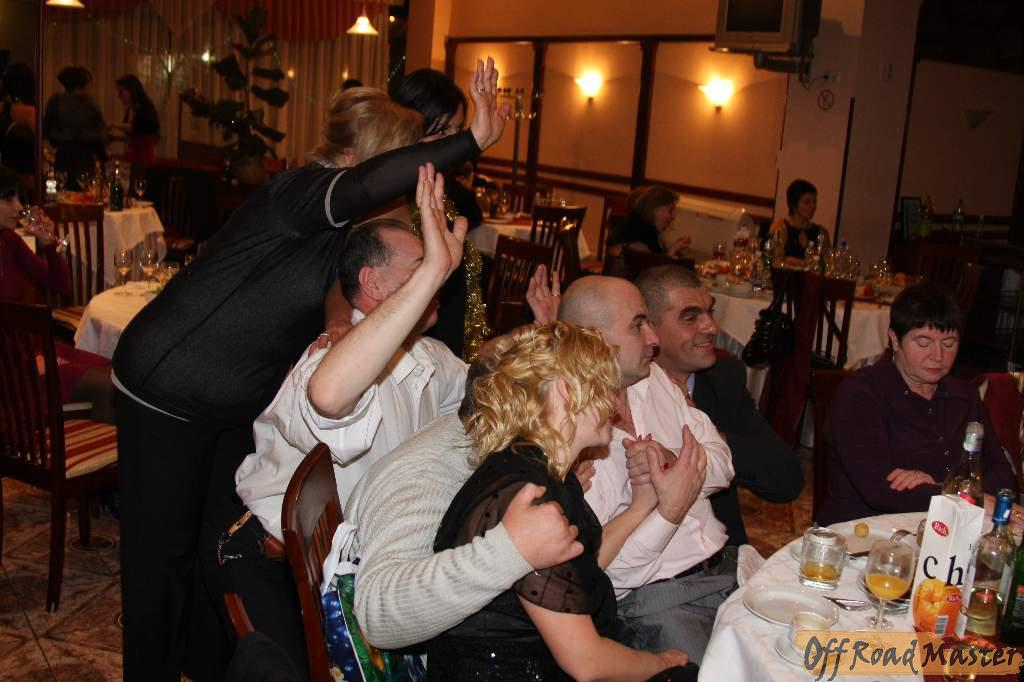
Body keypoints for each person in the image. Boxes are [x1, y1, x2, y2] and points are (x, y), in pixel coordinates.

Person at [111, 58, 509, 681]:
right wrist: (470, 142)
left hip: (228, 400)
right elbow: (363, 191)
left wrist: (342, 320)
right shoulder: (299, 193)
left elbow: (330, 283)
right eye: (398, 164)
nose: (402, 188)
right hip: (166, 385)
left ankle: (208, 666)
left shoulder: (341, 229)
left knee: (213, 544)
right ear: (361, 160)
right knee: (160, 557)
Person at [218, 166, 469, 674]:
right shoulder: (331, 363)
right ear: (372, 283)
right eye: (421, 267)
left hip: (359, 558)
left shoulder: (426, 355)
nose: (436, 277)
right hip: (277, 568)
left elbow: (477, 395)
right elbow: (331, 399)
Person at [428, 321, 691, 681]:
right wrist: (662, 663)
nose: (616, 404)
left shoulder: (540, 467)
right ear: (567, 391)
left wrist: (642, 506)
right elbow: (586, 663)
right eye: (606, 387)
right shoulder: (530, 495)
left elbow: (577, 566)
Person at [634, 264, 804, 545]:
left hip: (720, 553)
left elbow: (787, 480)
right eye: (690, 318)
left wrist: (707, 436)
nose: (712, 327)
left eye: (710, 312)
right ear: (649, 329)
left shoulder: (721, 378)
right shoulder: (626, 390)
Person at [820, 282, 1017, 525]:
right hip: (863, 528)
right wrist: (958, 495)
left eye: (949, 343)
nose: (938, 356)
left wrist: (944, 488)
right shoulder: (861, 393)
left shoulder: (964, 396)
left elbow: (1002, 475)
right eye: (923, 343)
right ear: (895, 339)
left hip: (946, 528)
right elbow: (879, 489)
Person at [0, 165, 115, 422]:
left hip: (28, 348)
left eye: (18, 197)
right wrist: (28, 361)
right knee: (107, 387)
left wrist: (49, 246)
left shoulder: (8, 241)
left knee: (115, 372)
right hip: (10, 369)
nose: (19, 207)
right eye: (8, 199)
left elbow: (61, 286)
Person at [42, 66, 107, 188]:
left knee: (62, 189)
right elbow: (99, 135)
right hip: (84, 157)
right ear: (84, 84)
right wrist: (103, 158)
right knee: (83, 190)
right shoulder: (89, 104)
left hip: (63, 155)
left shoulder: (56, 102)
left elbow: (47, 130)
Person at [606, 185, 690, 260]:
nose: (673, 217)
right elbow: (654, 271)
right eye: (670, 210)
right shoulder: (638, 237)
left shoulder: (644, 229)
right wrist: (672, 251)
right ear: (656, 210)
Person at [768, 179, 831, 263]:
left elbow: (826, 262)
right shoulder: (781, 227)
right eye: (807, 202)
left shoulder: (821, 232)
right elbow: (775, 259)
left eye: (814, 202)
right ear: (794, 204)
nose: (813, 206)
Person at [110, 74, 159, 174]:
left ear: (131, 90)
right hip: (133, 154)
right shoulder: (131, 108)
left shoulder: (145, 107)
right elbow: (133, 135)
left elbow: (137, 128)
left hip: (143, 156)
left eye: (121, 92)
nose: (119, 96)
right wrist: (114, 138)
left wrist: (112, 124)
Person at [0, 62, 36, 176]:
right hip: (26, 172)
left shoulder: (2, 107)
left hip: (5, 169)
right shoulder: (30, 111)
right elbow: (39, 142)